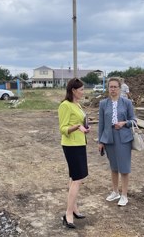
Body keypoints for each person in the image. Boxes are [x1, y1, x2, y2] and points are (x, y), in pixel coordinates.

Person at [98, 77, 136, 206]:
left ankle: (124, 194)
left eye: (115, 87)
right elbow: (101, 124)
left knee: (124, 168)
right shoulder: (103, 104)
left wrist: (124, 123)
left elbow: (134, 121)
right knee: (114, 167)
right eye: (111, 87)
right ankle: (115, 192)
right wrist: (100, 141)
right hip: (109, 138)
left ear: (120, 88)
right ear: (108, 88)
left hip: (124, 138)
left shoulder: (127, 103)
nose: (113, 89)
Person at [58, 77, 90, 229]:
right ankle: (68, 214)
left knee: (75, 178)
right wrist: (77, 126)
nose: (84, 92)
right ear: (73, 91)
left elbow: (80, 122)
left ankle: (74, 209)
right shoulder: (65, 105)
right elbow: (63, 128)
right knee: (77, 179)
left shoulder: (76, 104)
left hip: (80, 143)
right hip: (71, 146)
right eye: (81, 89)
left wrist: (83, 128)